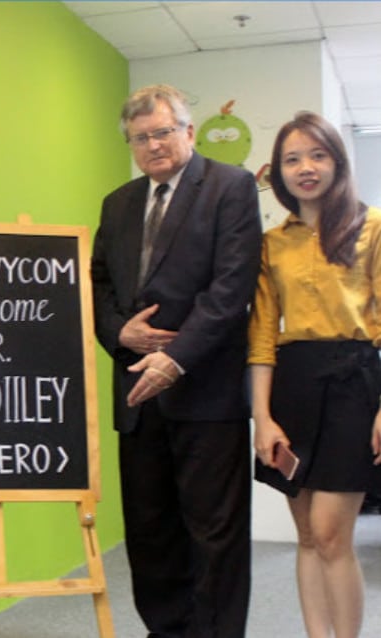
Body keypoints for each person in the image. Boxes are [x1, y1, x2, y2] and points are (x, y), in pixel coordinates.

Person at [90, 84, 262, 637]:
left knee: (215, 536)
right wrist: (120, 332)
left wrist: (175, 358)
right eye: (140, 138)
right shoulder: (117, 203)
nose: (153, 145)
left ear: (188, 131)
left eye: (163, 132)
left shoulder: (231, 187)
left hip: (206, 393)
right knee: (150, 532)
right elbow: (98, 285)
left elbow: (231, 289)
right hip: (138, 397)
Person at [249, 111, 381, 638]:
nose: (306, 167)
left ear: (337, 162)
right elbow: (262, 336)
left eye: (317, 155)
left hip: (354, 384)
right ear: (279, 172)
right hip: (293, 388)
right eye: (292, 159)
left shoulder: (372, 226)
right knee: (306, 534)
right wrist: (262, 417)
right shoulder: (272, 243)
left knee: (331, 534)